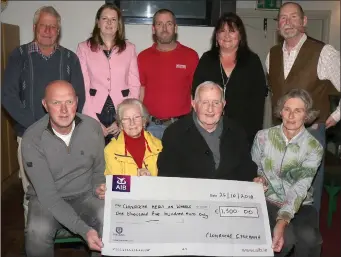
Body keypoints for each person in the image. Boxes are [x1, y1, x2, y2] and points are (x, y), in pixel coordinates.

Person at [1, 6, 85, 224]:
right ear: (34, 28)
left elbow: (79, 97)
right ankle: (35, 237)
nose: (48, 30)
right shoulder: (19, 56)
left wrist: (61, 127)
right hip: (29, 135)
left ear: (59, 30)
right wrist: (35, 126)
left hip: (64, 138)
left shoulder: (70, 58)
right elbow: (7, 95)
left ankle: (63, 229)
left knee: (63, 190)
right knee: (32, 192)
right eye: (43, 26)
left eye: (53, 27)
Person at [266, 1, 340, 211]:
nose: (287, 22)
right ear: (278, 24)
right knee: (279, 194)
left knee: (307, 196)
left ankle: (307, 243)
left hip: (311, 135)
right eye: (282, 17)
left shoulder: (324, 52)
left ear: (304, 21)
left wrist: (335, 116)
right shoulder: (271, 54)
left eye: (293, 17)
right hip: (280, 136)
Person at [21, 80, 105, 257]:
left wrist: (99, 186)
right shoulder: (32, 139)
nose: (64, 110)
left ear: (77, 101)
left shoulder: (93, 128)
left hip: (85, 194)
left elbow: (98, 171)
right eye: (56, 103)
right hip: (46, 200)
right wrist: (85, 230)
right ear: (45, 105)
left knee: (111, 220)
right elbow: (49, 197)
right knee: (37, 232)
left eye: (69, 102)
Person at [251, 89, 323, 257]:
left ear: (306, 115)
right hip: (268, 200)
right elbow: (253, 168)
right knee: (286, 240)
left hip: (300, 203)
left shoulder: (313, 147)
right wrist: (257, 179)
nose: (291, 116)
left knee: (310, 238)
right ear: (280, 111)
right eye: (287, 109)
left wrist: (283, 220)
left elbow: (300, 187)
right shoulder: (263, 137)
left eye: (298, 111)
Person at [192, 12, 267, 146]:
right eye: (222, 31)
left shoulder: (252, 61)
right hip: (210, 130)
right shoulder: (207, 59)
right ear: (216, 36)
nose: (226, 36)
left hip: (244, 132)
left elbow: (258, 100)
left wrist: (253, 133)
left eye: (232, 31)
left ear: (240, 35)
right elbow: (196, 94)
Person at [157, 81, 257, 181]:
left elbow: (246, 168)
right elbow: (167, 176)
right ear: (194, 104)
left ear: (223, 105)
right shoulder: (175, 133)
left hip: (228, 193)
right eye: (205, 102)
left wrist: (255, 180)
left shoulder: (237, 131)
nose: (210, 109)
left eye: (216, 103)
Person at [77, 3, 140, 145]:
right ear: (98, 23)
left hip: (121, 110)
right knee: (95, 157)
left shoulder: (129, 49)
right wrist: (92, 120)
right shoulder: (83, 48)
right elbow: (83, 85)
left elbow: (134, 85)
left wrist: (123, 119)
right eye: (105, 19)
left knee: (119, 158)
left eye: (113, 19)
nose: (109, 23)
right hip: (93, 109)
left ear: (119, 24)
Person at [137, 8, 199, 139]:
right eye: (159, 24)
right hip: (150, 127)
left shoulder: (191, 56)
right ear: (153, 29)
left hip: (181, 127)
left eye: (169, 24)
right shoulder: (143, 57)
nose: (164, 28)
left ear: (175, 28)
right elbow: (140, 91)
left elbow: (197, 92)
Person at [104, 99, 162, 176]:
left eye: (136, 117)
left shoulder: (158, 145)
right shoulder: (111, 150)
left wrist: (150, 179)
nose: (132, 123)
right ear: (120, 124)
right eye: (126, 119)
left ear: (144, 120)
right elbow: (116, 185)